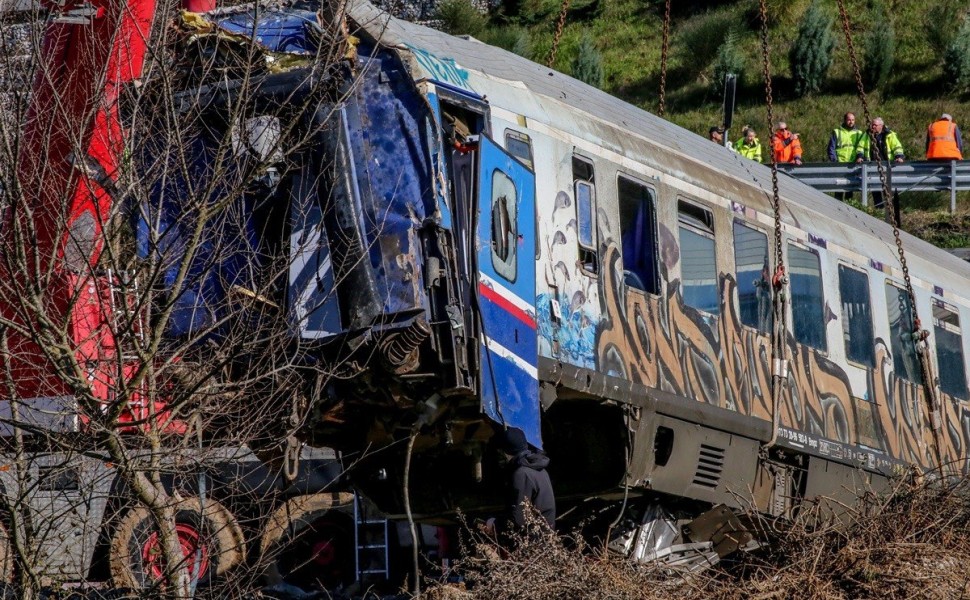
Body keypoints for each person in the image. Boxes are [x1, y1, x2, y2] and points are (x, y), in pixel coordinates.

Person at [485, 427, 555, 540]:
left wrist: (493, 524)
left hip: (531, 543)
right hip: (545, 539)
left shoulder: (521, 474)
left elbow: (518, 520)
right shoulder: (540, 469)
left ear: (506, 452)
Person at [858, 117, 904, 211]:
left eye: (875, 125)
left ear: (881, 126)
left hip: (886, 167)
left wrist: (899, 156)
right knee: (875, 190)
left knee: (887, 190)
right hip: (872, 166)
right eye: (872, 124)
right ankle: (879, 210)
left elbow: (897, 146)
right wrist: (860, 156)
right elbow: (860, 147)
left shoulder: (889, 135)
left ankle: (891, 211)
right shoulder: (867, 135)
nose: (872, 126)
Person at [828, 112, 863, 201]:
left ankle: (849, 208)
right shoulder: (837, 132)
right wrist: (834, 161)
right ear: (845, 120)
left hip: (853, 164)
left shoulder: (859, 133)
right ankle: (837, 207)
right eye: (849, 120)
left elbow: (862, 147)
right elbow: (831, 148)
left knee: (849, 188)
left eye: (853, 120)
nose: (851, 122)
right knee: (839, 187)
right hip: (840, 164)